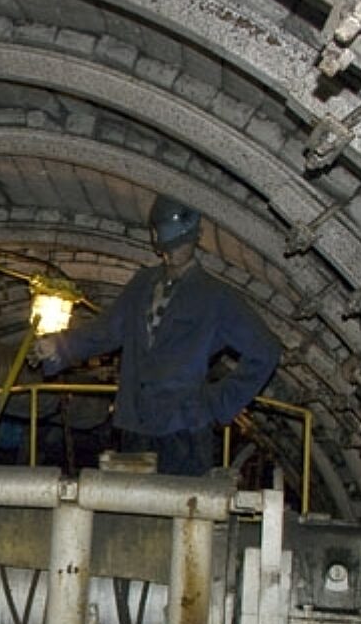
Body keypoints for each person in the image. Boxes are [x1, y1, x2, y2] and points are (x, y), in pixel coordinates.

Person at [31, 195, 281, 476]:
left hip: (184, 430)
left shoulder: (215, 296)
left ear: (195, 238)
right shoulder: (142, 285)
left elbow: (266, 350)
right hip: (135, 424)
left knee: (181, 502)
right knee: (133, 501)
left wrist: (217, 403)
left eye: (180, 244)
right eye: (168, 246)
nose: (173, 253)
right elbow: (107, 330)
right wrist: (59, 346)